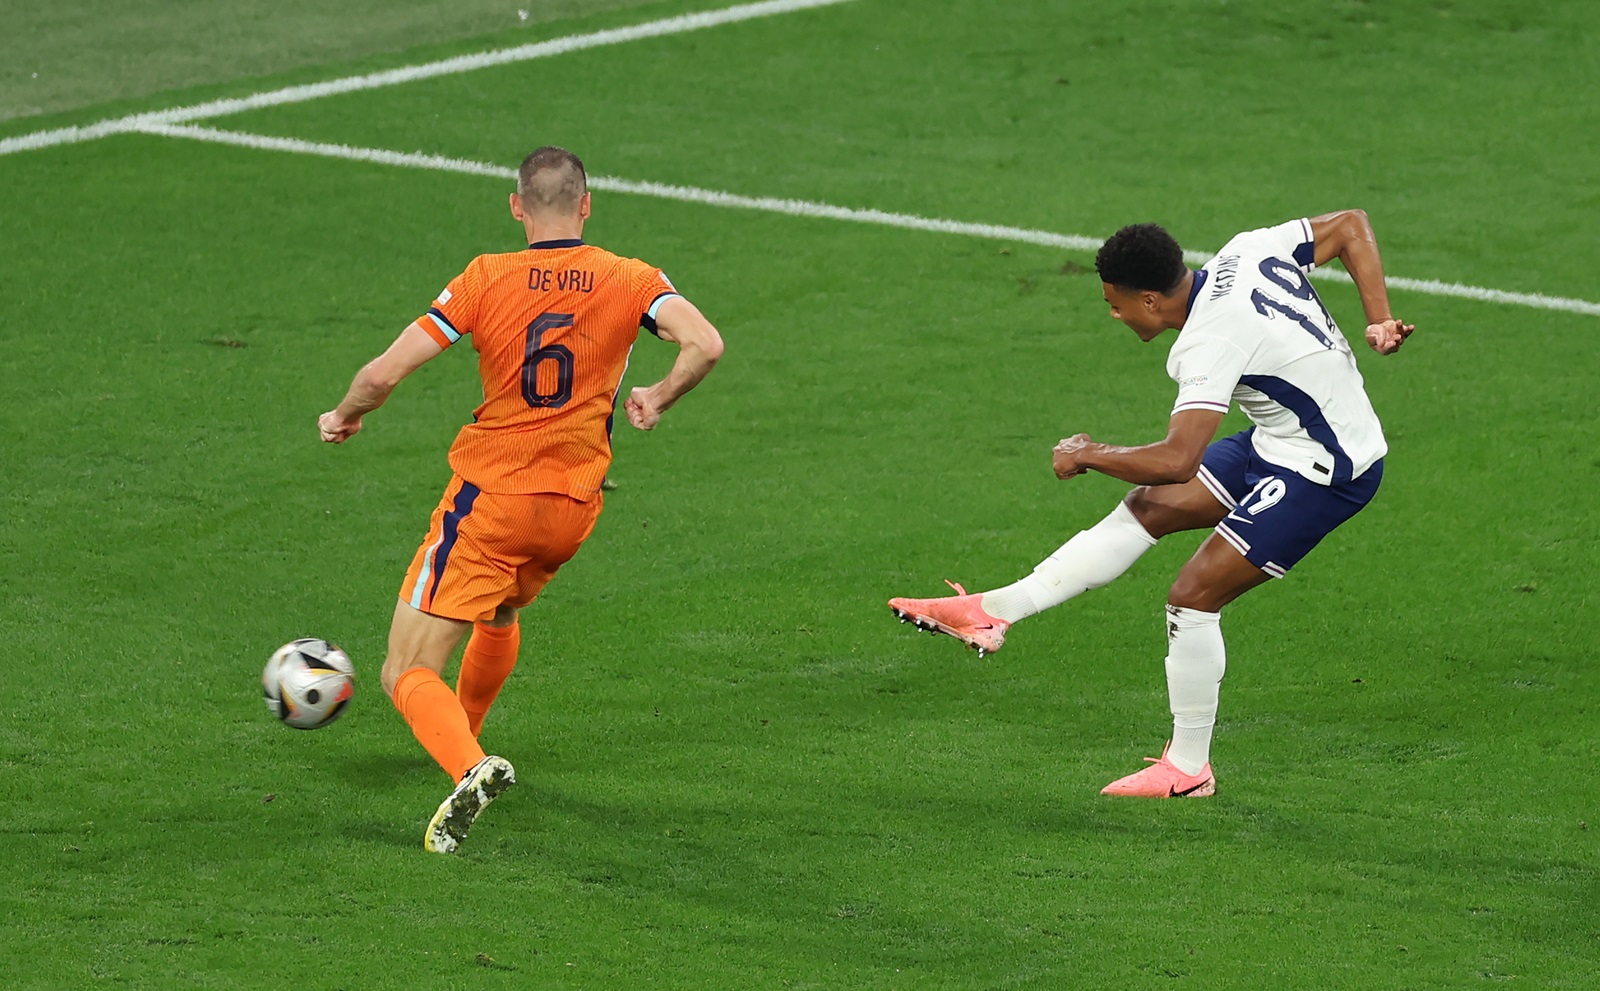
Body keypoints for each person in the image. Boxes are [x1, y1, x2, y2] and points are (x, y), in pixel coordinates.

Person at [889, 211, 1413, 798]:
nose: (1113, 315)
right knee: (1148, 509)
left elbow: (1178, 459)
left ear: (1149, 299)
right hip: (1280, 439)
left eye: (1116, 305)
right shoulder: (1245, 252)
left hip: (1327, 471)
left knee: (1192, 598)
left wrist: (1089, 453)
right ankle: (994, 611)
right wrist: (1379, 320)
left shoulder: (1210, 341)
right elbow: (1349, 226)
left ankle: (1190, 770)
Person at [318, 146, 724, 851]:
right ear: (586, 204)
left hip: (493, 497)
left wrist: (346, 412)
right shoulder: (631, 278)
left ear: (517, 207)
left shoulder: (485, 277)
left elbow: (385, 373)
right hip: (571, 506)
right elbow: (706, 343)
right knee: (499, 607)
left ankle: (470, 764)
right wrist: (658, 394)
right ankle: (461, 739)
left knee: (404, 668)